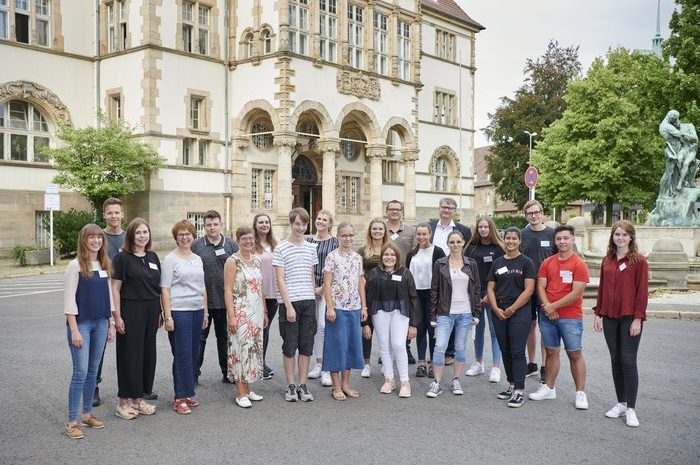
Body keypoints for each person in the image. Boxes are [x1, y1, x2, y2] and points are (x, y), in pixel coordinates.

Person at [593, 221, 648, 427]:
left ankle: (631, 409)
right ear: (612, 237)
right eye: (617, 234)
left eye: (625, 235)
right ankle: (621, 403)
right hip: (609, 316)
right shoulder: (607, 260)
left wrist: (637, 318)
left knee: (628, 360)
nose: (621, 238)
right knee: (615, 359)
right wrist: (598, 313)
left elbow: (642, 293)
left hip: (628, 317)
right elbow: (602, 288)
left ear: (631, 238)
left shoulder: (639, 262)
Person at [63, 224, 116, 439]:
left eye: (99, 237)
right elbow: (68, 301)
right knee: (80, 372)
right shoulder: (75, 266)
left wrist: (111, 322)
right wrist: (74, 329)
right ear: (83, 240)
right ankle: (72, 421)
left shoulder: (104, 264)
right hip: (82, 324)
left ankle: (87, 414)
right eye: (91, 237)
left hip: (101, 323)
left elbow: (109, 296)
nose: (95, 240)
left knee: (93, 371)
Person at [529, 225, 590, 410]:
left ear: (572, 239)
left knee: (574, 353)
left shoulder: (579, 264)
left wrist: (552, 306)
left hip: (570, 316)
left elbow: (577, 292)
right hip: (548, 315)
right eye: (559, 239)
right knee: (551, 351)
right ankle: (549, 387)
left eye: (566, 238)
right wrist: (548, 308)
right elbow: (541, 286)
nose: (562, 242)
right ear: (555, 241)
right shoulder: (547, 262)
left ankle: (580, 392)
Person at [112, 218, 161, 420]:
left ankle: (138, 399)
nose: (143, 236)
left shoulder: (153, 256)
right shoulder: (122, 258)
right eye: (139, 232)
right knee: (129, 355)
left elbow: (157, 287)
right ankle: (123, 402)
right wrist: (117, 316)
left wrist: (159, 312)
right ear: (131, 235)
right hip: (130, 309)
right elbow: (115, 288)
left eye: (146, 232)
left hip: (151, 309)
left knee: (147, 354)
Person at [161, 220, 208, 415]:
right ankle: (179, 397)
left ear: (193, 235)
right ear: (176, 237)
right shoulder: (170, 259)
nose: (185, 237)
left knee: (192, 354)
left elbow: (203, 287)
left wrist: (205, 311)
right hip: (179, 312)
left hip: (197, 310)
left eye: (188, 233)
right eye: (181, 234)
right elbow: (165, 288)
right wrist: (168, 316)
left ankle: (188, 392)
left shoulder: (197, 258)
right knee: (181, 354)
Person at [426, 231, 481, 398]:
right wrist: (433, 316)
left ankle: (456, 380)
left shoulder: (471, 263)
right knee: (440, 347)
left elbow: (477, 289)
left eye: (458, 242)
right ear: (448, 244)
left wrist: (476, 312)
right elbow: (434, 290)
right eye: (452, 242)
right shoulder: (440, 263)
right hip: (444, 312)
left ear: (463, 243)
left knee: (460, 348)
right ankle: (436, 382)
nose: (455, 245)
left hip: (465, 313)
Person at [486, 227, 537, 408]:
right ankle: (511, 384)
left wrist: (512, 309)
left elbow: (529, 290)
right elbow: (490, 288)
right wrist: (496, 308)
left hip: (519, 311)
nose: (510, 241)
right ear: (503, 240)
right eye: (508, 238)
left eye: (514, 239)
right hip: (499, 311)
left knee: (516, 351)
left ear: (519, 241)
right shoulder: (497, 263)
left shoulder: (526, 262)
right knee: (505, 349)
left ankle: (519, 391)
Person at [274, 208, 319, 402]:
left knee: (306, 346)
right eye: (297, 223)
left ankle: (303, 385)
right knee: (290, 345)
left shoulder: (311, 247)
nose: (300, 227)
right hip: (289, 303)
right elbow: (280, 280)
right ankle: (291, 386)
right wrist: (289, 305)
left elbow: (310, 275)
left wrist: (314, 296)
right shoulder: (281, 248)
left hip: (308, 301)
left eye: (304, 224)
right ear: (291, 224)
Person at [365, 243, 420, 398]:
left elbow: (413, 298)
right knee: (384, 345)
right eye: (386, 255)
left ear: (397, 257)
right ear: (382, 257)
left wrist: (413, 324)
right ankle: (389, 379)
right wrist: (366, 323)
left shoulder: (405, 273)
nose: (389, 258)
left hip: (400, 312)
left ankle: (404, 382)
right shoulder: (375, 274)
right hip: (380, 312)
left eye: (392, 255)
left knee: (398, 345)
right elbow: (368, 298)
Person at [191, 210, 238, 385]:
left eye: (215, 224)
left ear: (221, 225)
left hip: (225, 302)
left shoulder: (231, 245)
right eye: (209, 225)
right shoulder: (196, 246)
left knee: (225, 339)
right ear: (204, 227)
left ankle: (227, 372)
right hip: (202, 303)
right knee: (199, 339)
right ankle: (194, 375)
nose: (212, 227)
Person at [322, 223, 367, 400]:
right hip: (337, 308)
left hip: (354, 307)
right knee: (336, 345)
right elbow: (327, 283)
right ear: (338, 236)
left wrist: (364, 306)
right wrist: (330, 307)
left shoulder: (357, 257)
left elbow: (360, 283)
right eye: (344, 235)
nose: (348, 239)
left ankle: (346, 384)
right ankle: (335, 386)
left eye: (350, 235)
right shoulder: (332, 257)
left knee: (350, 346)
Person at [225, 227, 267, 408]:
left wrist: (264, 311)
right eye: (244, 239)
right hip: (240, 311)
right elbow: (227, 290)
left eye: (251, 238)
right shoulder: (232, 261)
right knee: (240, 350)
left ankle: (248, 389)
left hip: (256, 311)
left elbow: (260, 287)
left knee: (252, 350)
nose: (248, 242)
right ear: (238, 241)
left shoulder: (257, 260)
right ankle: (239, 393)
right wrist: (231, 316)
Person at [429, 197, 471, 364]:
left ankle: (449, 352)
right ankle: (436, 350)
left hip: (455, 275)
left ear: (455, 211)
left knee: (454, 311)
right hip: (434, 274)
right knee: (439, 312)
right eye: (444, 207)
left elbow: (467, 253)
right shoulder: (430, 227)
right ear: (439, 208)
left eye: (450, 208)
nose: (446, 210)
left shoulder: (464, 230)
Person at [93, 197, 127, 407]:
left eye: (117, 212)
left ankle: (133, 387)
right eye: (110, 213)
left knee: (129, 346)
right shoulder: (99, 237)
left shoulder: (129, 237)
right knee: (99, 346)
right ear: (104, 215)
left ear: (122, 214)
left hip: (126, 297)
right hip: (102, 296)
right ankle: (93, 387)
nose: (114, 216)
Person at [465, 216, 505, 383]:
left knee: (495, 332)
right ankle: (478, 363)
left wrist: (490, 294)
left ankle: (496, 367)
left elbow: (502, 273)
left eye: (486, 227)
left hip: (494, 295)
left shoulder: (499, 248)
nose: (483, 229)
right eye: (480, 226)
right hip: (475, 296)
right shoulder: (471, 248)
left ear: (491, 228)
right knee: (477, 331)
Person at [520, 200, 556, 382]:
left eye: (537, 212)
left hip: (546, 289)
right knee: (530, 325)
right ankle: (532, 363)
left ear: (542, 213)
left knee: (545, 327)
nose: (534, 216)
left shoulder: (552, 234)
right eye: (530, 213)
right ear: (525, 215)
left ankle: (544, 365)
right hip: (526, 287)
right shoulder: (522, 234)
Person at [405, 223, 445, 378]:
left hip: (432, 295)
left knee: (432, 330)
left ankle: (432, 363)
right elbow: (407, 276)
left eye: (424, 234)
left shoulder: (438, 251)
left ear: (430, 234)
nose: (421, 237)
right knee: (420, 329)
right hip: (415, 295)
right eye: (419, 234)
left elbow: (443, 275)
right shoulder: (412, 253)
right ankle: (421, 362)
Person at [306, 210, 339, 387]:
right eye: (318, 218)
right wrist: (311, 287)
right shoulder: (308, 241)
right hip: (309, 289)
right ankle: (318, 364)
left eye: (324, 220)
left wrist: (321, 288)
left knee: (323, 326)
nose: (320, 222)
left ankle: (327, 367)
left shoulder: (334, 242)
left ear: (330, 224)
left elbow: (335, 267)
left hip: (327, 288)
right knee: (313, 327)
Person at [386, 200, 418, 365]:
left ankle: (405, 347)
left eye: (397, 209)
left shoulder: (411, 231)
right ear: (386, 212)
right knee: (386, 314)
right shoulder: (380, 229)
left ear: (402, 212)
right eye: (391, 209)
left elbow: (415, 253)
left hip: (404, 277)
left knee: (403, 313)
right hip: (385, 279)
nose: (394, 212)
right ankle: (388, 348)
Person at [357, 218, 389, 378]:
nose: (377, 231)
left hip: (386, 295)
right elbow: (359, 273)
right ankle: (366, 364)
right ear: (370, 231)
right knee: (367, 330)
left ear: (385, 231)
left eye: (380, 229)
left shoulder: (390, 249)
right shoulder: (363, 251)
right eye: (374, 229)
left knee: (385, 331)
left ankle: (385, 361)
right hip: (368, 294)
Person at [253, 213, 278, 380]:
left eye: (266, 222)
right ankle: (256, 364)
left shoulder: (276, 244)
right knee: (258, 328)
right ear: (255, 225)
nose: (264, 225)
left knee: (265, 328)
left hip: (273, 293)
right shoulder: (251, 244)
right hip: (256, 293)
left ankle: (261, 362)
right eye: (261, 222)